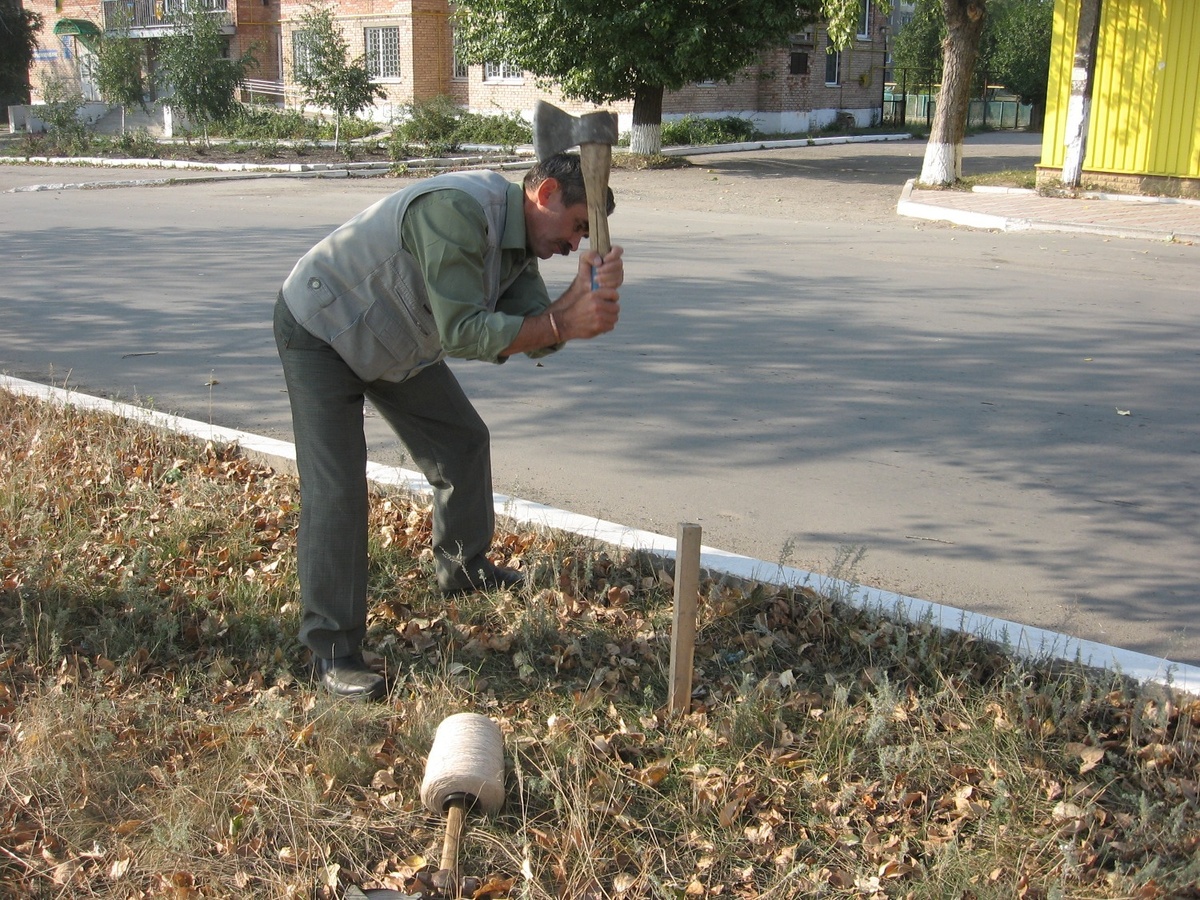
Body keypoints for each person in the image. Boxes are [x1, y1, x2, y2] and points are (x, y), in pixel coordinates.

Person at [273, 153, 624, 700]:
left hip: (393, 341)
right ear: (547, 193)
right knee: (337, 488)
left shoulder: (518, 250)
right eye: (579, 227)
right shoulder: (456, 211)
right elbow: (464, 332)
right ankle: (334, 651)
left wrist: (581, 302)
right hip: (325, 327)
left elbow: (537, 329)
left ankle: (463, 567)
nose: (576, 244)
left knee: (461, 441)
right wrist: (562, 319)